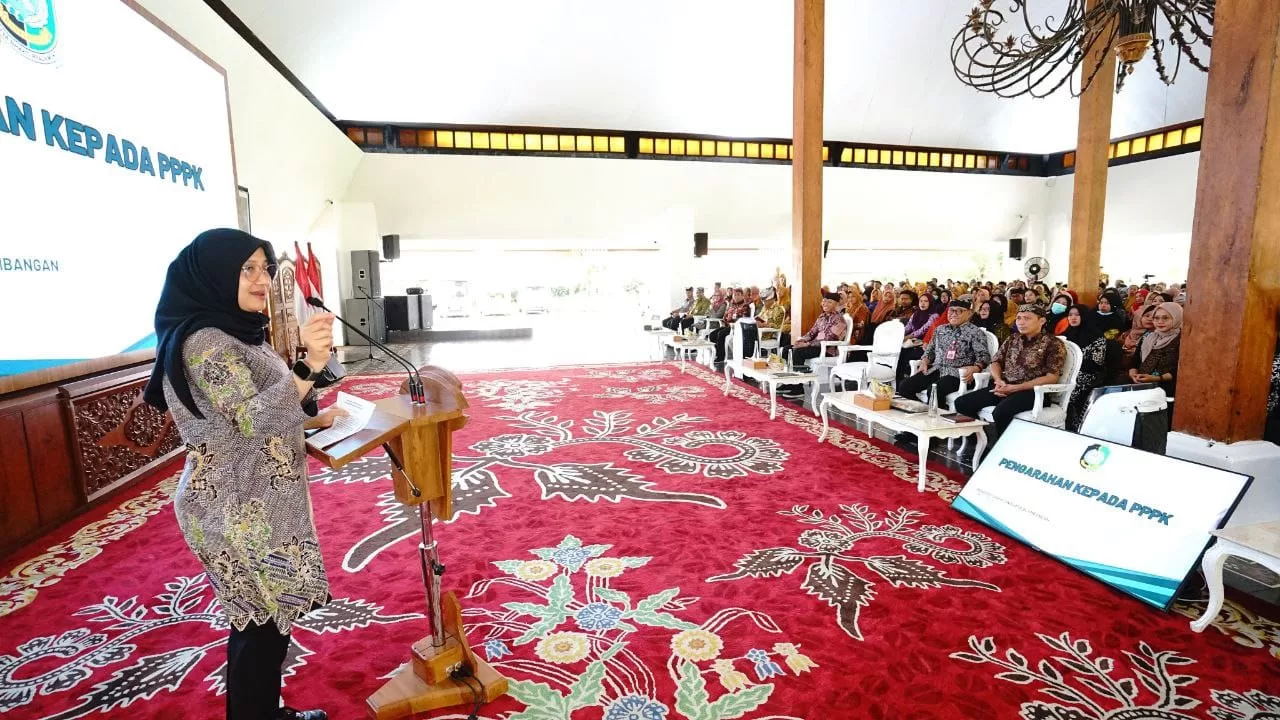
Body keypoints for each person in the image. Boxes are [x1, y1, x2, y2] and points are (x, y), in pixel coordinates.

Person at [142, 229, 337, 720]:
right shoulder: (205, 342)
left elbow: (251, 410)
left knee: (267, 623)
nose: (261, 279)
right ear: (213, 274)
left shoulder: (239, 331)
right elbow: (253, 418)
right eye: (246, 269)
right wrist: (311, 365)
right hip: (233, 510)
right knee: (260, 627)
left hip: (257, 500)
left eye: (264, 268)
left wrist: (314, 417)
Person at [954, 304, 1065, 446]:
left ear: (1041, 321)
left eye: (1027, 318)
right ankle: (980, 442)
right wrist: (998, 380)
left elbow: (1052, 377)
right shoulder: (1013, 339)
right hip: (1005, 386)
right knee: (962, 403)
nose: (1021, 322)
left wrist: (1016, 388)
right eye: (1018, 318)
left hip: (1033, 393)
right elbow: (995, 362)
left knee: (1001, 412)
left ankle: (1003, 448)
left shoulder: (1053, 343)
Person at [897, 299, 990, 405]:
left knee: (934, 391)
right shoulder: (940, 329)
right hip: (936, 369)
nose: (953, 314)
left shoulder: (975, 332)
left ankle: (939, 413)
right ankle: (919, 411)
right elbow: (930, 349)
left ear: (969, 313)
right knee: (904, 386)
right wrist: (925, 361)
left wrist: (976, 368)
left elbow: (984, 355)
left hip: (957, 374)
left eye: (959, 311)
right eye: (951, 310)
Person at [1060, 304, 1109, 431]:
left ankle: (1074, 426)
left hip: (1088, 373)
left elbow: (1096, 363)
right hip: (1065, 373)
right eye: (1070, 315)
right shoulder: (1065, 335)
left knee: (1069, 391)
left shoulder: (1097, 336)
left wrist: (1073, 369)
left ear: (1085, 316)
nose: (1073, 318)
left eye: (1077, 315)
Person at [1130, 301, 1182, 396]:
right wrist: (1133, 374)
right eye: (1156, 318)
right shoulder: (1148, 336)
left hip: (1166, 390)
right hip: (1140, 385)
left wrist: (1155, 378)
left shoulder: (1182, 340)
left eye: (1165, 318)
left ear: (1176, 318)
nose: (1160, 321)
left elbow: (1179, 370)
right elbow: (1135, 360)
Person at [786, 293, 848, 369]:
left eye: (829, 302)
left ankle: (800, 375)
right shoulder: (822, 317)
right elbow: (811, 333)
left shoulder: (839, 320)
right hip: (814, 346)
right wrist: (801, 340)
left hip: (827, 350)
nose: (825, 304)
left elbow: (830, 339)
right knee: (787, 349)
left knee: (798, 352)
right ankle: (789, 373)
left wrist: (807, 344)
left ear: (836, 304)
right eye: (824, 301)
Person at [710, 288, 751, 362]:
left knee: (721, 334)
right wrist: (724, 321)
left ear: (742, 296)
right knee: (712, 335)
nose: (736, 297)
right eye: (735, 295)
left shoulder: (745, 306)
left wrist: (734, 323)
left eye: (738, 295)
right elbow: (726, 315)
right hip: (727, 326)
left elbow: (744, 319)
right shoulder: (731, 305)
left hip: (737, 327)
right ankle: (717, 352)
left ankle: (721, 356)